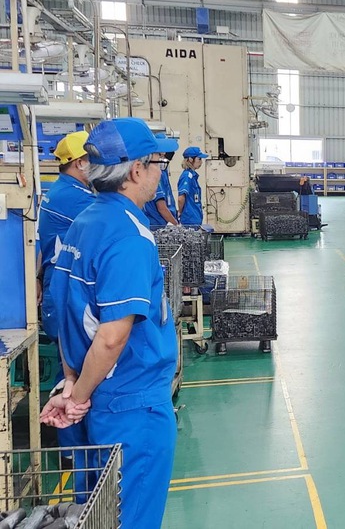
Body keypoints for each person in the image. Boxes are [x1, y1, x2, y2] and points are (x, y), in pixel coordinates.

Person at [41, 117, 179, 528]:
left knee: (97, 516)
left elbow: (64, 312)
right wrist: (78, 396)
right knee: (130, 517)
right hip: (131, 404)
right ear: (136, 169)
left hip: (95, 397)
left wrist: (71, 383)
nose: (159, 173)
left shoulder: (85, 223)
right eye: (158, 163)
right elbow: (112, 337)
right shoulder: (129, 237)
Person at [37, 131, 95, 475]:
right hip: (64, 292)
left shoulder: (61, 191)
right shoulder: (74, 198)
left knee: (73, 368)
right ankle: (73, 449)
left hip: (58, 287)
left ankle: (75, 446)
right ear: (79, 162)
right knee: (72, 370)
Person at [143, 146, 178, 226]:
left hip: (164, 223)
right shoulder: (154, 177)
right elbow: (161, 208)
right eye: (160, 155)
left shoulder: (163, 174)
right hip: (157, 224)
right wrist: (177, 226)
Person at [176, 146, 208, 226]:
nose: (201, 162)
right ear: (190, 159)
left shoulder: (193, 176)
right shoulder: (187, 176)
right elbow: (181, 198)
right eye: (199, 159)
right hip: (189, 220)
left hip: (195, 219)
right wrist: (180, 212)